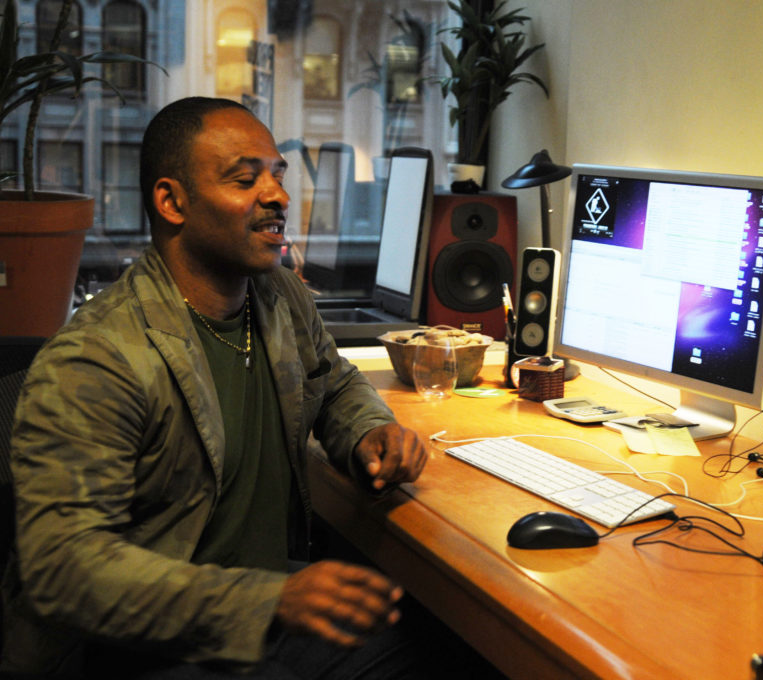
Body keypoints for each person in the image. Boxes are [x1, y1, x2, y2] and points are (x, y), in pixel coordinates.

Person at [1, 97, 481, 679]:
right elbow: (64, 569)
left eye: (276, 175)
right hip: (145, 648)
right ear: (171, 201)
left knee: (456, 654)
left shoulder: (279, 295)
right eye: (244, 178)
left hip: (266, 619)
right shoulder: (96, 360)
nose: (278, 196)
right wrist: (267, 600)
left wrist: (369, 432)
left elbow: (330, 382)